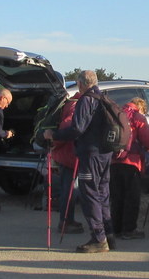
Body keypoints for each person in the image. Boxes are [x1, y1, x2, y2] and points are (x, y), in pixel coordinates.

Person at [43, 70, 115, 253]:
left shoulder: (86, 100)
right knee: (102, 194)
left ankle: (99, 239)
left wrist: (54, 134)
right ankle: (109, 235)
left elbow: (77, 129)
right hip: (105, 154)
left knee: (89, 194)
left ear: (82, 83)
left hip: (90, 154)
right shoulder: (104, 98)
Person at [110, 97, 149, 240]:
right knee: (131, 197)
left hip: (114, 161)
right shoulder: (137, 117)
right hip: (132, 161)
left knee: (116, 196)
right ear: (140, 107)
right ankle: (129, 229)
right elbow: (148, 139)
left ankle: (115, 228)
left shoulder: (116, 114)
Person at [48, 94, 83, 234]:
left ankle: (67, 220)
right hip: (70, 154)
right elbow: (69, 127)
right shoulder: (77, 105)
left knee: (68, 189)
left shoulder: (70, 103)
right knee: (70, 190)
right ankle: (66, 221)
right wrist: (55, 141)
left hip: (65, 153)